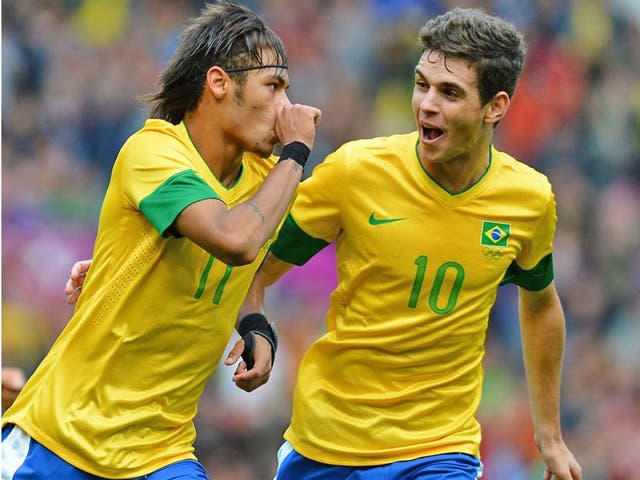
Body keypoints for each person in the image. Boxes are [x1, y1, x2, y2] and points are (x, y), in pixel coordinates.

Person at [62, 7, 583, 480]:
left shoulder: (529, 200)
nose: (425, 104)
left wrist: (551, 438)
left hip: (438, 446)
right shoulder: (356, 172)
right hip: (326, 442)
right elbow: (250, 257)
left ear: (496, 106)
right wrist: (127, 264)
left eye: (448, 93)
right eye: (421, 84)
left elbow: (541, 308)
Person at [1, 1, 320, 479]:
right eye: (273, 87)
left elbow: (251, 268)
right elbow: (235, 241)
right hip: (60, 440)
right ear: (218, 83)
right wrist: (296, 153)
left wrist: (255, 323)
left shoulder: (264, 182)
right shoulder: (154, 152)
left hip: (160, 455)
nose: (288, 110)